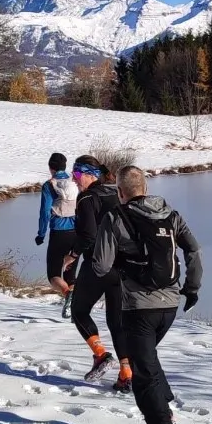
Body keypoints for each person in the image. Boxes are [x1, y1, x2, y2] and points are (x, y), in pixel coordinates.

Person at [92, 165, 202, 424]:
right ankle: (164, 408)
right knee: (148, 362)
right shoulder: (171, 214)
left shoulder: (115, 216)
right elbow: (193, 251)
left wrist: (122, 270)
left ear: (120, 192)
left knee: (144, 376)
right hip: (170, 305)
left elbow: (100, 266)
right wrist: (192, 288)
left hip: (139, 308)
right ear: (146, 188)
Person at [62, 156, 130, 390]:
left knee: (79, 311)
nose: (74, 178)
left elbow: (88, 234)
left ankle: (101, 354)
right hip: (123, 266)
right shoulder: (116, 193)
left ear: (90, 174)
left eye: (77, 174)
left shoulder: (87, 198)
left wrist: (72, 254)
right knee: (116, 321)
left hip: (97, 264)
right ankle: (126, 373)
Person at [35, 153, 78, 313]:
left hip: (58, 232)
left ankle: (68, 295)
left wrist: (41, 234)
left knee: (53, 274)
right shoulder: (75, 182)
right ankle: (75, 308)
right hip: (77, 233)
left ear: (50, 167)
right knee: (70, 272)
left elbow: (44, 213)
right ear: (65, 166)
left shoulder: (49, 185)